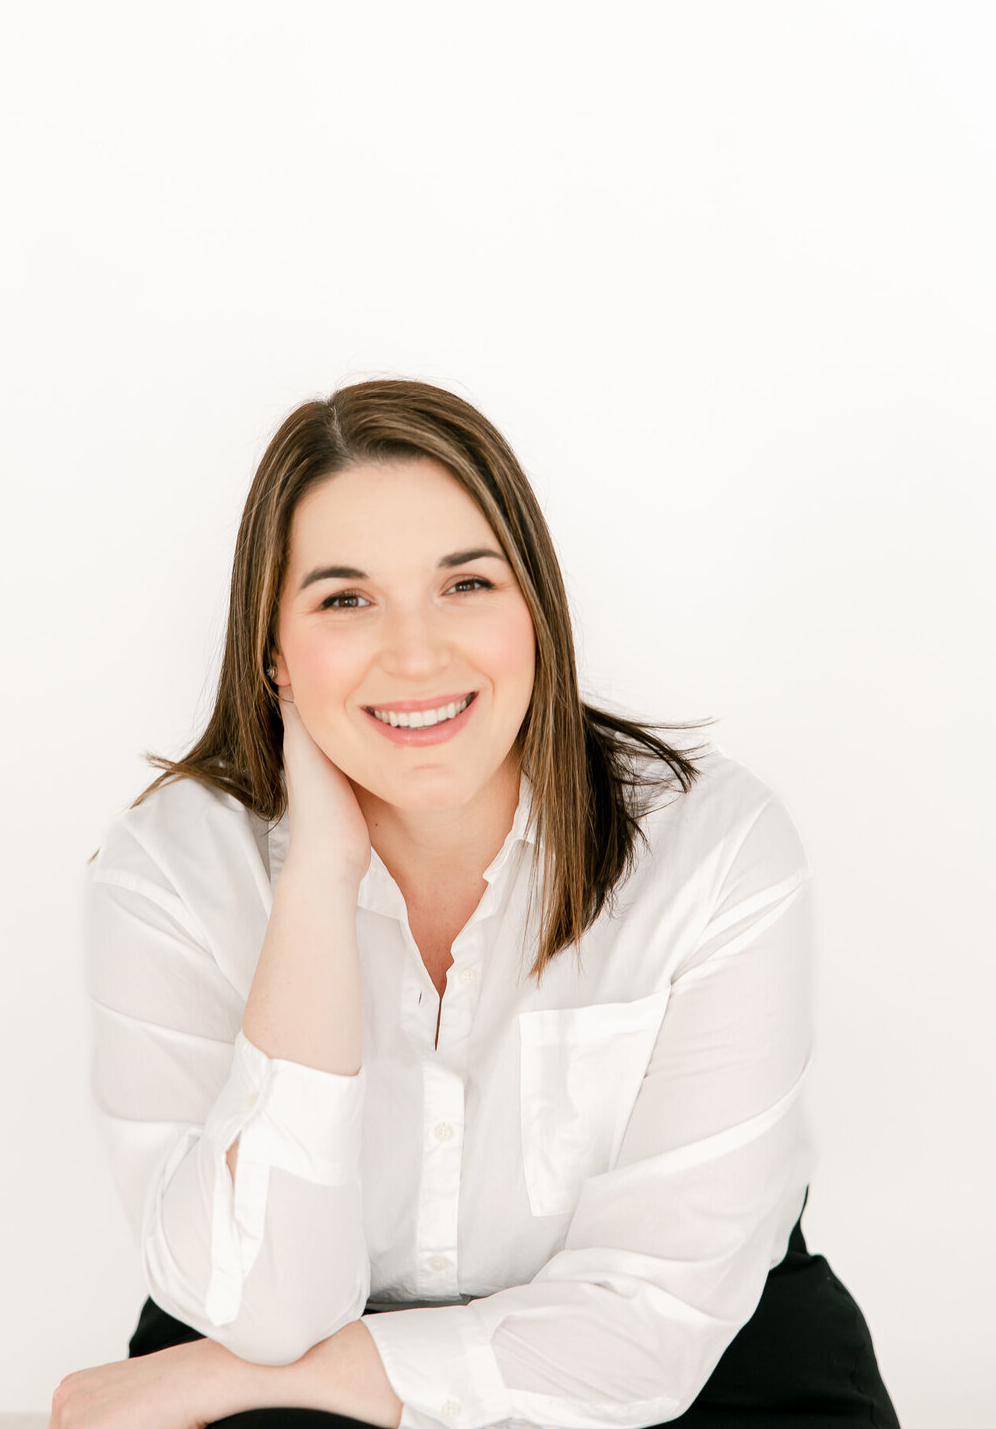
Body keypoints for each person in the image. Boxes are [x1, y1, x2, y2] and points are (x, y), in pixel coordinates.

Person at [58, 379, 900, 1429]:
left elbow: (653, 1319)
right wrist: (319, 875)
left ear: (534, 608)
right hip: (283, 1335)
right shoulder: (173, 872)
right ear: (272, 649)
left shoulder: (712, 849)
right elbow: (267, 1310)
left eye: (466, 584)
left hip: (693, 1349)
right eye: (343, 598)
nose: (417, 654)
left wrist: (220, 1378)